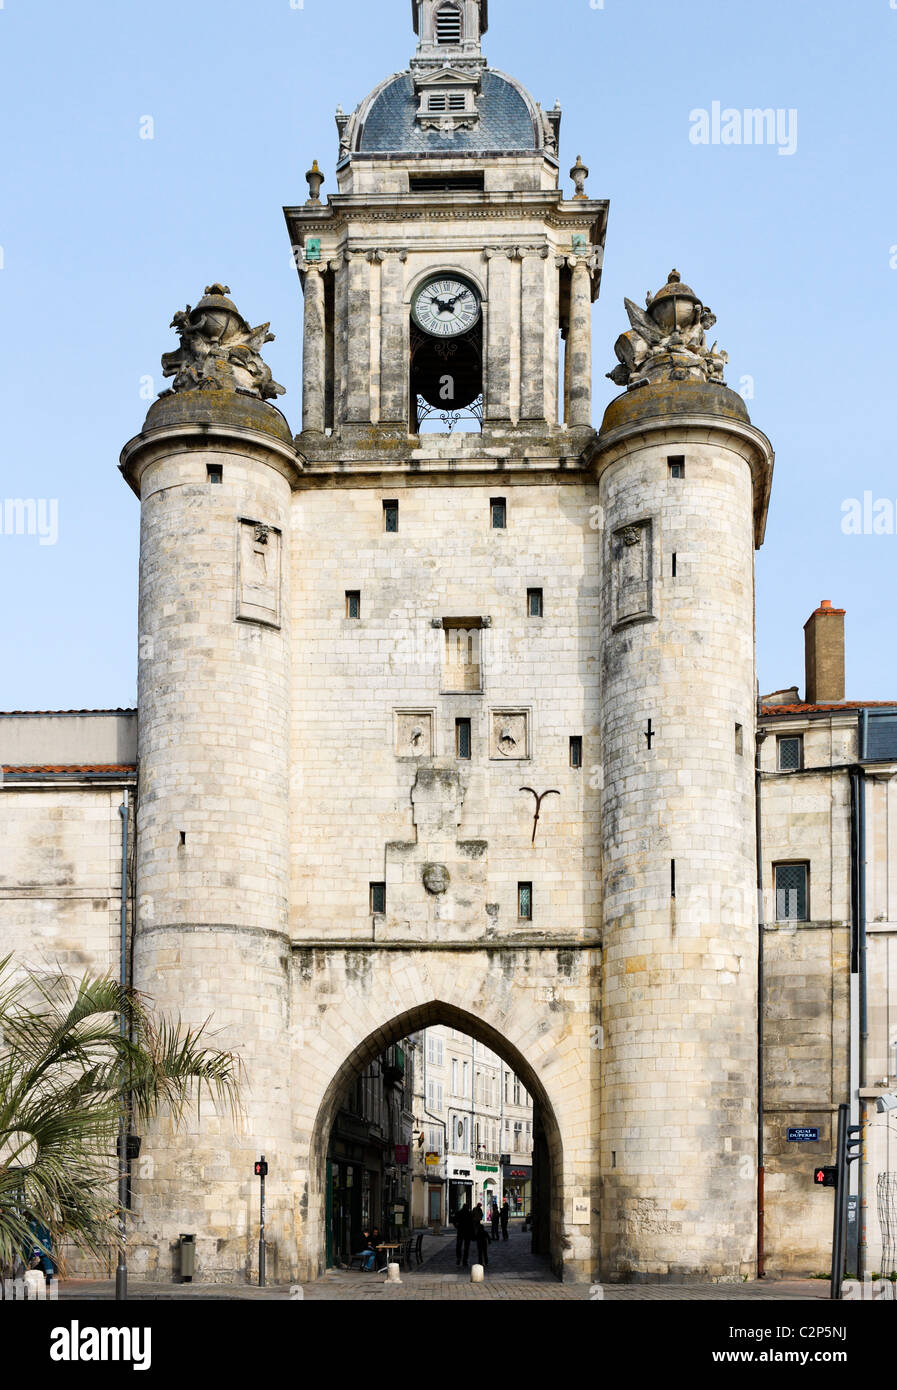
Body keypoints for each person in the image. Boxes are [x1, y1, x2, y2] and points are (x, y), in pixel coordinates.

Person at [23, 1212, 55, 1285]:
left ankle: (22, 1275)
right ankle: (49, 1277)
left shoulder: (31, 1225)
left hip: (35, 1247)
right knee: (46, 1259)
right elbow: (48, 1236)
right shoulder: (44, 1225)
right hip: (45, 1246)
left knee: (27, 1258)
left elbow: (30, 1237)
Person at [453, 1201, 473, 1267]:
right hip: (467, 1232)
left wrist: (457, 1227)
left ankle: (459, 1258)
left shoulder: (459, 1213)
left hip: (460, 1231)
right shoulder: (469, 1213)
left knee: (459, 1246)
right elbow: (472, 1224)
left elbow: (454, 1221)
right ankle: (465, 1260)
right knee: (466, 1247)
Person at [473, 1203, 489, 1268]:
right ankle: (485, 1261)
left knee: (480, 1253)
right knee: (484, 1252)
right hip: (476, 1220)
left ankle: (481, 1262)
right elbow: (488, 1236)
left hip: (476, 1220)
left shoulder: (476, 1209)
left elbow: (474, 1214)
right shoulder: (485, 1232)